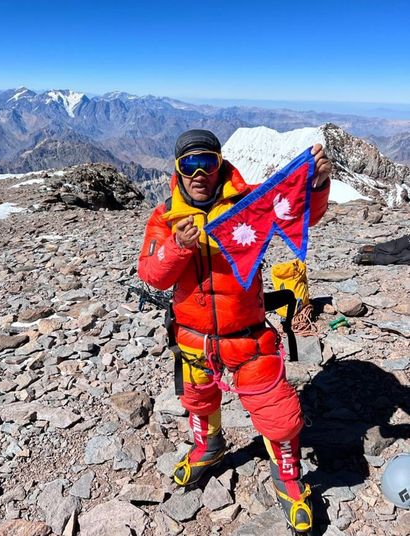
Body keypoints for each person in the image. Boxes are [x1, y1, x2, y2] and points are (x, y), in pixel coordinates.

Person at [138, 129, 331, 534]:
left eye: (206, 162)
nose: (198, 172)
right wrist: (177, 247)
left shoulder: (248, 202)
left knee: (278, 414)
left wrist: (316, 185)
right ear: (177, 168)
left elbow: (294, 208)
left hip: (247, 334)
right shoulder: (164, 218)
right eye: (189, 164)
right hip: (194, 336)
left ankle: (289, 480)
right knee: (198, 397)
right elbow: (152, 275)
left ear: (220, 163)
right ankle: (208, 447)